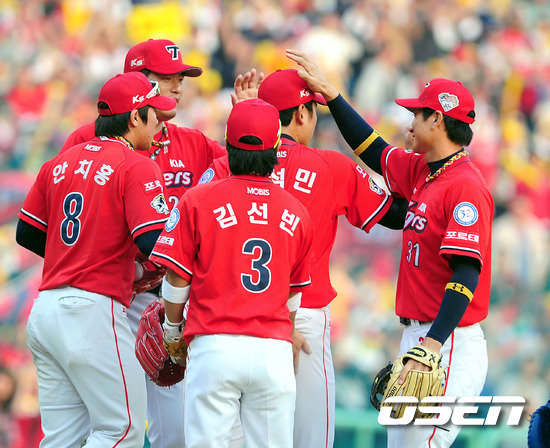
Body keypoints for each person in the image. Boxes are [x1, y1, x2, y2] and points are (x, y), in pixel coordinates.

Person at [286, 49, 493, 447]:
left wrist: (432, 344)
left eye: (417, 113)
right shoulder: (424, 170)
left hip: (448, 341)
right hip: (420, 337)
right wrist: (332, 96)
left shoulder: (465, 186)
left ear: (437, 120)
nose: (409, 122)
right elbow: (373, 149)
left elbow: (467, 273)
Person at [60, 38, 260, 448]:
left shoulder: (194, 144)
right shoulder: (88, 139)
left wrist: (247, 119)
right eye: (166, 77)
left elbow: (244, 175)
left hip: (164, 299)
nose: (177, 86)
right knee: (96, 428)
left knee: (178, 432)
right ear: (136, 82)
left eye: (181, 78)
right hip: (103, 297)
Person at [200, 68, 407, 448]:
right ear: (301, 113)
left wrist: (246, 120)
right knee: (310, 440)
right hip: (304, 318)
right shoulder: (329, 165)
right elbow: (398, 215)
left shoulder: (227, 165)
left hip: (229, 322)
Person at [15, 71, 174, 447]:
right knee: (122, 430)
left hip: (46, 310)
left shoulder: (60, 162)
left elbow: (26, 233)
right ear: (134, 117)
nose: (158, 121)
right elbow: (154, 242)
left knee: (62, 438)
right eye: (153, 112)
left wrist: (81, 254)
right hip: (92, 310)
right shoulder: (136, 163)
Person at [149, 98, 315, 447]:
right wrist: (287, 331)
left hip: (215, 347)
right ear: (275, 148)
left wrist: (172, 331)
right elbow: (294, 293)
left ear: (227, 143)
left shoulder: (197, 199)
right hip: (273, 351)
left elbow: (177, 278)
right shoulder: (297, 211)